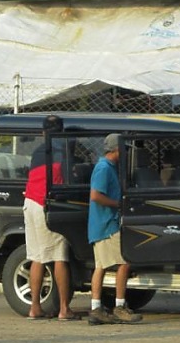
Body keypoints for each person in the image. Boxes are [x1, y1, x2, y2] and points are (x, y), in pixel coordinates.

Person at [23, 115, 79, 321]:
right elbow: (68, 180)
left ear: (42, 132)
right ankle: (65, 309)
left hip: (30, 203)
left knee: (37, 257)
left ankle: (35, 307)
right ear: (61, 131)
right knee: (59, 256)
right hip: (48, 204)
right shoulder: (63, 150)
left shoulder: (38, 151)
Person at [88, 133, 142, 325]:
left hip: (103, 224)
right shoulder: (103, 168)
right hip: (107, 224)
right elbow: (96, 195)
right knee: (124, 261)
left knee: (101, 265)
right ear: (116, 149)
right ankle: (119, 307)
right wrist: (118, 204)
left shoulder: (109, 167)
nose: (126, 152)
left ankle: (96, 308)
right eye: (124, 149)